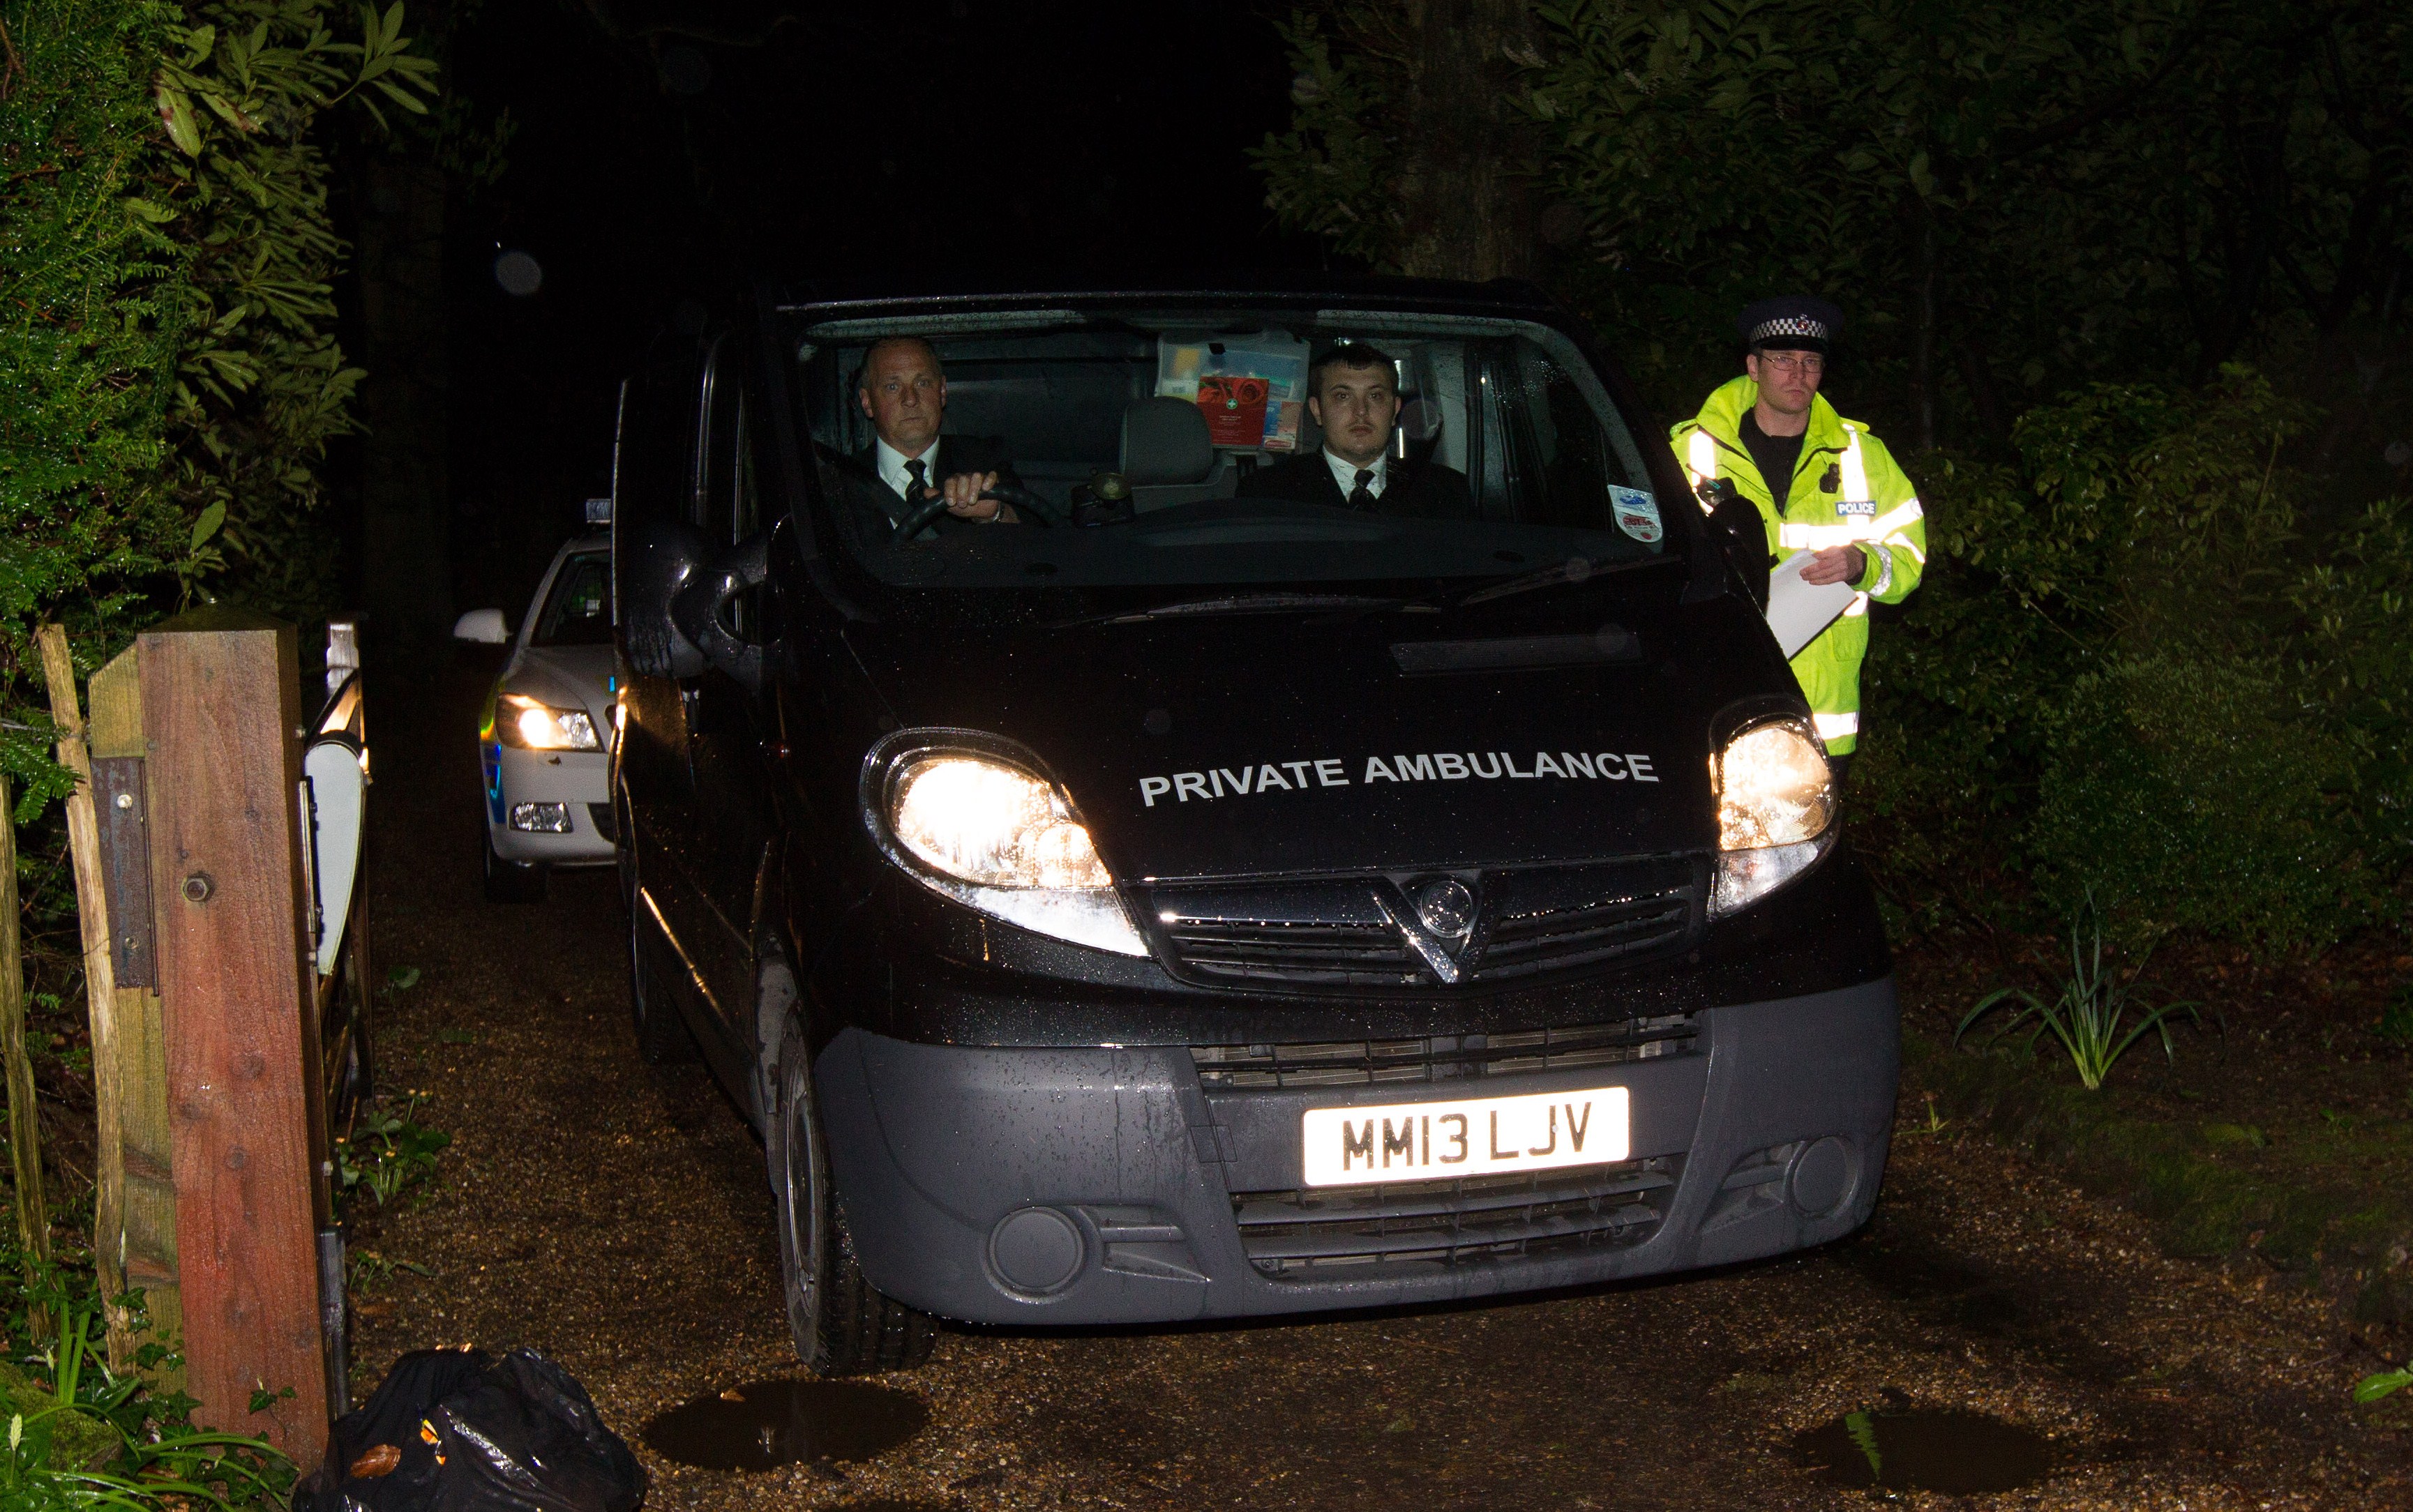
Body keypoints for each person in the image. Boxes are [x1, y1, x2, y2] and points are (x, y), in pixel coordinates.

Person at [1670, 297, 1925, 771]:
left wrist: (1863, 563)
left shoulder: (1863, 455)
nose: (1798, 374)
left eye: (1811, 362)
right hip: (1720, 691)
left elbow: (1909, 558)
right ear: (1753, 367)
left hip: (1821, 711)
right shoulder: (1689, 451)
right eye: (1783, 360)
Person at [1238, 342, 1471, 517]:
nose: (1361, 411)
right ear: (1317, 410)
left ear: (1395, 410)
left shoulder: (1444, 491)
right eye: (1343, 396)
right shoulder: (1268, 493)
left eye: (1375, 396)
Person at [843, 335, 1024, 538]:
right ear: (867, 402)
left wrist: (996, 514)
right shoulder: (840, 483)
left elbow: (1035, 540)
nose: (910, 399)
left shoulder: (984, 460)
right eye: (892, 386)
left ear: (942, 391)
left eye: (923, 383)